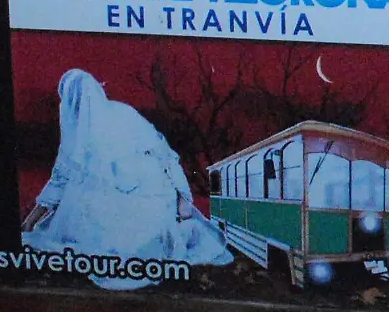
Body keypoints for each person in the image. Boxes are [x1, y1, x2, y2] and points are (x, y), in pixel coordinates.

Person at [20, 69, 231, 289]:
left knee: (89, 210)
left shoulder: (104, 123)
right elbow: (166, 157)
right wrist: (183, 200)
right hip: (152, 205)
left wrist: (183, 201)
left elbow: (164, 155)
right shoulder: (119, 115)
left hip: (148, 205)